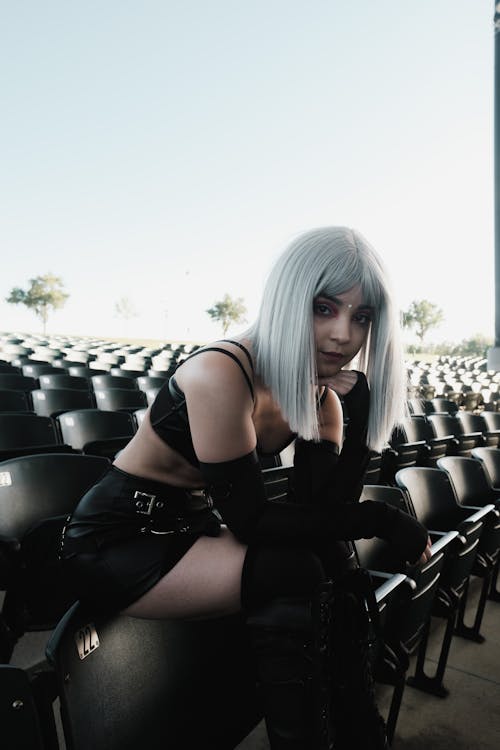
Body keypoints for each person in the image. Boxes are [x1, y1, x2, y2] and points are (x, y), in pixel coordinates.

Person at [60, 226, 431, 749]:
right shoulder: (222, 371)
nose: (345, 334)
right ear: (288, 301)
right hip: (118, 538)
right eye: (324, 308)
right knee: (293, 568)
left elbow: (326, 510)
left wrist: (362, 422)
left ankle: (356, 725)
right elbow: (253, 521)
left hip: (194, 527)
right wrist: (384, 519)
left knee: (330, 556)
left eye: (362, 316)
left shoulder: (321, 398)